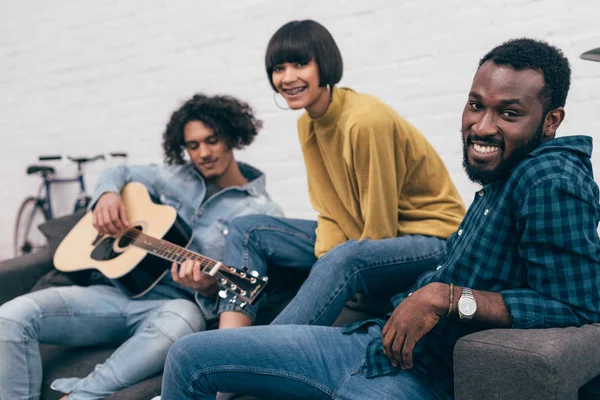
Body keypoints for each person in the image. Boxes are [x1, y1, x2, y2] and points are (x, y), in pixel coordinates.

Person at [160, 38, 600, 400]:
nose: (481, 126)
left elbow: (578, 306)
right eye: (475, 105)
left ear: (551, 120)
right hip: (369, 343)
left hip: (419, 378)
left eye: (509, 113)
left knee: (346, 259)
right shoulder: (506, 171)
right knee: (188, 356)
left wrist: (444, 298)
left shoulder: (550, 179)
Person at [0, 93, 283, 400]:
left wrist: (208, 290)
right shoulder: (174, 177)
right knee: (11, 318)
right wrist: (107, 195)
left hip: (171, 307)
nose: (203, 153)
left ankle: (82, 394)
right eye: (193, 145)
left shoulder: (262, 213)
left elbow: (240, 295)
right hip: (109, 292)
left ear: (231, 136)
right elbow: (117, 172)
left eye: (212, 140)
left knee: (184, 319)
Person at [217, 19, 465, 327]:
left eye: (299, 64)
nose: (287, 78)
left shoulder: (364, 120)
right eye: (278, 68)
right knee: (247, 230)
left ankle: (261, 351)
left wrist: (333, 266)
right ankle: (228, 338)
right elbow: (330, 210)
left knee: (344, 258)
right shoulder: (307, 124)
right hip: (360, 233)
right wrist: (324, 260)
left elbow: (380, 222)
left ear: (325, 63)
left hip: (431, 238)